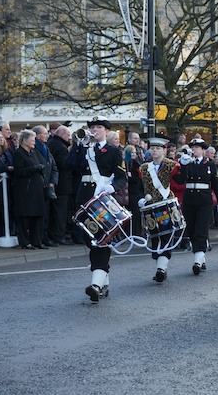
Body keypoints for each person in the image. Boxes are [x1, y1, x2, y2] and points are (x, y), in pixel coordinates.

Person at [70, 116, 127, 303]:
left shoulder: (113, 151)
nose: (94, 130)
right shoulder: (85, 149)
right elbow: (70, 166)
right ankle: (103, 281)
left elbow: (121, 177)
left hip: (102, 199)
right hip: (84, 198)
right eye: (92, 127)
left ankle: (95, 284)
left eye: (98, 127)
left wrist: (111, 188)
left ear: (106, 131)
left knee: (101, 240)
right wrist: (80, 145)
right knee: (91, 240)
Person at [175, 138, 218, 275]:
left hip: (204, 200)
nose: (194, 149)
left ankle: (197, 259)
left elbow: (215, 184)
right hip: (190, 199)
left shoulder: (210, 164)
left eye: (197, 147)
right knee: (191, 228)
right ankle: (201, 258)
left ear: (203, 150)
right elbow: (180, 180)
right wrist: (182, 166)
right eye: (193, 147)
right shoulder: (186, 163)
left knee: (201, 229)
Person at [137, 138, 181, 282]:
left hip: (167, 205)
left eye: (158, 148)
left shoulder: (172, 166)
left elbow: (179, 185)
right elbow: (139, 187)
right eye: (152, 148)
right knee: (155, 237)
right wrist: (141, 198)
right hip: (150, 207)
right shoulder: (143, 168)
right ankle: (160, 266)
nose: (154, 150)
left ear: (164, 150)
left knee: (167, 235)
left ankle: (161, 268)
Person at [12, 130, 48, 250]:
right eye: (32, 139)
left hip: (37, 188)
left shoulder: (34, 152)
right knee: (24, 217)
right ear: (24, 140)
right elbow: (19, 171)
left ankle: (36, 241)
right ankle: (25, 242)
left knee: (39, 215)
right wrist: (34, 169)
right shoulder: (18, 153)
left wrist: (40, 169)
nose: (34, 142)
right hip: (25, 190)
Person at [46, 125, 74, 245]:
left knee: (54, 212)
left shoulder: (50, 143)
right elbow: (65, 164)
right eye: (68, 136)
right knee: (60, 212)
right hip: (62, 184)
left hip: (55, 183)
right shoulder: (61, 147)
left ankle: (53, 234)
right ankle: (59, 235)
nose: (69, 139)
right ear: (63, 134)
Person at [32, 125, 59, 247]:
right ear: (37, 135)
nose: (47, 135)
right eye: (44, 133)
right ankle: (38, 238)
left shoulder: (46, 148)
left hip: (48, 186)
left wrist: (53, 182)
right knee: (39, 214)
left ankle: (45, 237)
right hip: (38, 186)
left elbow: (54, 167)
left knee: (47, 214)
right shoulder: (33, 149)